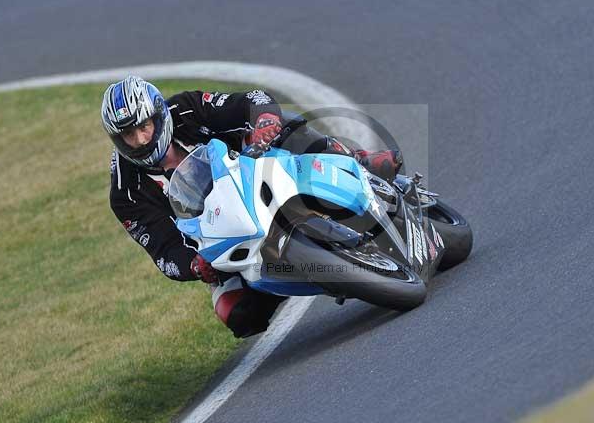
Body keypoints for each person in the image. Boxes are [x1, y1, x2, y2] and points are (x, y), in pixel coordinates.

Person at [102, 75, 402, 338]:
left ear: (159, 114)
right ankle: (322, 276)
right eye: (128, 135)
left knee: (286, 125)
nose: (140, 140)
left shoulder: (187, 108)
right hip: (224, 238)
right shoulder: (125, 194)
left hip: (260, 171)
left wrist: (265, 121)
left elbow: (252, 100)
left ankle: (358, 161)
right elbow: (164, 251)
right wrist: (195, 265)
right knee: (236, 315)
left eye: (144, 126)